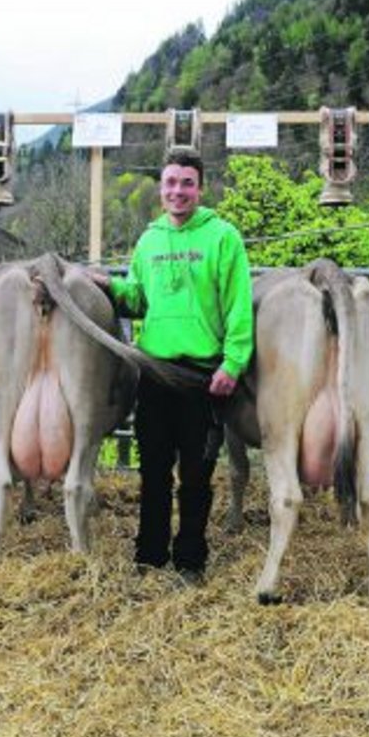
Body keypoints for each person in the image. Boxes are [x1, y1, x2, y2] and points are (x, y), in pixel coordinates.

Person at [91, 148, 253, 581]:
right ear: (161, 187)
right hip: (155, 373)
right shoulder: (149, 240)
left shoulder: (223, 237)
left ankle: (190, 560)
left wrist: (233, 363)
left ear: (200, 188)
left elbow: (239, 307)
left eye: (187, 183)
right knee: (153, 471)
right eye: (170, 183)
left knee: (196, 475)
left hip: (202, 375)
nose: (177, 191)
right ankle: (150, 556)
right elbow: (138, 299)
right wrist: (108, 285)